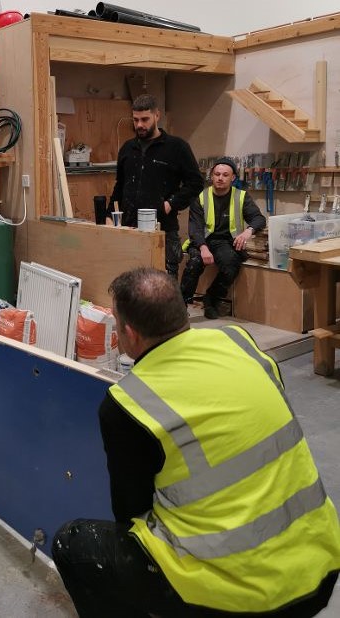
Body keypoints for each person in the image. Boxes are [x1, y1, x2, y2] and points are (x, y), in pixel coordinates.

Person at [52, 267, 340, 617]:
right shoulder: (239, 341)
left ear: (127, 334)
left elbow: (131, 515)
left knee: (72, 542)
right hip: (320, 563)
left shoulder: (128, 405)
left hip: (248, 599)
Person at [107, 94, 204, 278]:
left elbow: (195, 183)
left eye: (145, 119)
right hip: (130, 229)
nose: (140, 125)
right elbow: (120, 186)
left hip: (163, 230)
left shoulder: (177, 147)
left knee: (164, 288)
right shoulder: (127, 149)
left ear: (157, 116)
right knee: (131, 285)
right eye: (136, 120)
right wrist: (110, 215)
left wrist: (170, 204)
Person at [180, 156, 266, 319]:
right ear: (211, 176)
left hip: (226, 242)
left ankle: (211, 299)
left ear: (233, 178)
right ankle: (181, 305)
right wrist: (203, 248)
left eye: (225, 175)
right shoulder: (201, 197)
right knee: (194, 263)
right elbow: (195, 228)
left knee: (230, 266)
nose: (220, 178)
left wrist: (248, 231)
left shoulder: (241, 196)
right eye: (217, 174)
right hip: (202, 241)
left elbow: (259, 218)